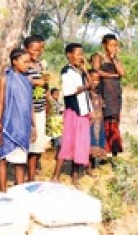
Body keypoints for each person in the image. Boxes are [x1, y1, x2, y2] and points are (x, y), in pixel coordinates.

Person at [51, 43, 93, 187]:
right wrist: (85, 87)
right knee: (67, 143)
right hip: (73, 112)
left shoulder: (80, 71)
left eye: (82, 54)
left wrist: (85, 71)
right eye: (78, 53)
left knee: (80, 144)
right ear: (69, 55)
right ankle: (55, 175)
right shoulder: (66, 71)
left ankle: (75, 176)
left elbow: (92, 85)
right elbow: (69, 91)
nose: (81, 57)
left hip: (84, 111)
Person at [0, 49, 35, 192]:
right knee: (3, 158)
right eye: (25, 62)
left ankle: (19, 190)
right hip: (8, 124)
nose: (28, 65)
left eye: (29, 61)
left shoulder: (27, 81)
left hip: (23, 125)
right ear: (14, 61)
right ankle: (2, 191)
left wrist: (33, 126)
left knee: (20, 161)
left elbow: (30, 104)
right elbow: (1, 103)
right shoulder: (5, 79)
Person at [92, 33, 124, 157]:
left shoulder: (115, 58)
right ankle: (102, 151)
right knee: (103, 121)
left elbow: (122, 72)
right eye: (111, 45)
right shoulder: (98, 56)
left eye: (115, 45)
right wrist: (113, 75)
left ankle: (115, 150)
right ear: (104, 45)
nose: (114, 47)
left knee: (115, 121)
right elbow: (96, 71)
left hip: (115, 93)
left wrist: (114, 58)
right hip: (104, 92)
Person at [23, 35, 50, 182]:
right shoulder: (24, 65)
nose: (37, 52)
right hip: (28, 109)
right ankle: (28, 176)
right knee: (29, 143)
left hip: (40, 108)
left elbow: (46, 84)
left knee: (38, 144)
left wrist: (48, 101)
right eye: (34, 49)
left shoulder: (41, 65)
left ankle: (31, 176)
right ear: (26, 49)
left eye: (39, 50)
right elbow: (20, 80)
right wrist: (37, 81)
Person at [87, 69, 106, 174]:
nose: (95, 82)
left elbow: (101, 107)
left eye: (97, 80)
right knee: (90, 144)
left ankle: (93, 166)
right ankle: (88, 168)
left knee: (96, 143)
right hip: (90, 122)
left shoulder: (98, 94)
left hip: (99, 122)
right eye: (92, 80)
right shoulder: (87, 94)